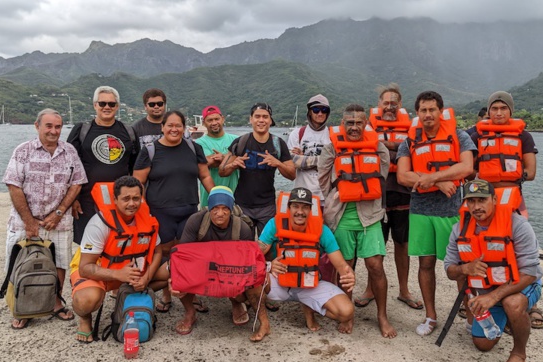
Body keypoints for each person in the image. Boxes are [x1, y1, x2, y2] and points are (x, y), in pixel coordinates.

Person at [396, 91, 476, 336]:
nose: (428, 114)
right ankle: (430, 316)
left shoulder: (460, 137)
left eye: (432, 110)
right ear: (417, 113)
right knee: (426, 263)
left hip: (451, 212)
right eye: (423, 110)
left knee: (461, 267)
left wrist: (432, 177)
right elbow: (402, 176)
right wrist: (437, 183)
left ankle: (472, 318)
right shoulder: (408, 142)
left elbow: (467, 167)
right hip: (420, 211)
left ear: (441, 111)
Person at [444, 179, 542, 362]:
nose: (476, 207)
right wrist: (465, 269)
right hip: (485, 290)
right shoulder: (459, 229)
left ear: (495, 199)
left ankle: (519, 354)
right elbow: (449, 270)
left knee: (512, 303)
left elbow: (530, 272)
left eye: (482, 200)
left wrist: (494, 296)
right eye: (471, 201)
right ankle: (506, 318)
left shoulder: (518, 225)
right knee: (482, 344)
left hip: (520, 285)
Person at [3, 108, 87, 329]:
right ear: (37, 126)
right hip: (24, 221)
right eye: (48, 126)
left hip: (59, 221)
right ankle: (22, 306)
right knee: (19, 262)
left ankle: (56, 301)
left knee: (59, 263)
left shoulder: (69, 152)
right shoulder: (23, 151)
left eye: (57, 127)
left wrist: (58, 212)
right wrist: (29, 221)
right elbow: (13, 185)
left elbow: (77, 182)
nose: (53, 131)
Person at [318, 104, 396, 338]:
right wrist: (338, 194)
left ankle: (382, 316)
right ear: (342, 124)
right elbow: (323, 178)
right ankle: (348, 313)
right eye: (349, 123)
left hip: (370, 216)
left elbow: (380, 177)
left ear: (366, 124)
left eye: (358, 123)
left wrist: (363, 192)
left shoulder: (378, 148)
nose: (354, 127)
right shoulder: (332, 147)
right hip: (341, 217)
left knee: (375, 266)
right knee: (346, 267)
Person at [471, 91, 543, 329]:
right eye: (494, 108)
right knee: (481, 247)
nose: (499, 112)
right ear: (488, 111)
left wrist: (504, 173)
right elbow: (465, 163)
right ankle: (478, 297)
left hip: (512, 197)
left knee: (519, 249)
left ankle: (528, 304)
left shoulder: (523, 135)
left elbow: (530, 173)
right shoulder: (475, 133)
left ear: (511, 111)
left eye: (503, 108)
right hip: (482, 197)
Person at [133, 110, 214, 311]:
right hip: (160, 212)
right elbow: (138, 184)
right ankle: (167, 295)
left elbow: (204, 176)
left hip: (189, 210)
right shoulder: (150, 150)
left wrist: (217, 198)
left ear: (184, 128)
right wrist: (142, 213)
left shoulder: (193, 148)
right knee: (166, 254)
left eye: (178, 125)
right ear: (162, 127)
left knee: (189, 254)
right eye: (170, 125)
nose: (174, 129)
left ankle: (191, 295)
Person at [167, 186, 270, 341]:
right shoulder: (197, 221)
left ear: (231, 209)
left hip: (230, 268)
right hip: (202, 267)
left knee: (255, 281)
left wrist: (261, 276)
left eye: (224, 209)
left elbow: (249, 263)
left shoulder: (241, 228)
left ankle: (259, 319)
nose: (220, 213)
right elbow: (182, 257)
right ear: (209, 209)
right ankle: (190, 312)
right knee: (177, 276)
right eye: (215, 208)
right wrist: (173, 280)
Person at [70, 176, 164, 343]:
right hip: (101, 273)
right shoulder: (99, 223)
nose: (132, 203)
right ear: (115, 199)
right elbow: (85, 267)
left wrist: (146, 278)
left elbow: (158, 252)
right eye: (126, 198)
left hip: (132, 274)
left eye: (136, 198)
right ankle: (85, 319)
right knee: (86, 301)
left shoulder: (146, 218)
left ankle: (125, 298)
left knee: (173, 271)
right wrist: (118, 274)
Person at [355, 83, 423, 311]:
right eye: (386, 103)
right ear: (379, 105)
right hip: (375, 195)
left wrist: (385, 144)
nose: (390, 107)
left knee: (402, 244)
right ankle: (370, 289)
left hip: (404, 194)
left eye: (394, 104)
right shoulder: (368, 126)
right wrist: (396, 147)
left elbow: (412, 149)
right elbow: (364, 147)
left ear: (400, 105)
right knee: (375, 245)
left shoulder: (411, 127)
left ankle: (404, 290)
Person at [258, 187, 356, 333]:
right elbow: (254, 257)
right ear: (288, 207)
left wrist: (348, 275)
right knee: (250, 278)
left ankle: (310, 307)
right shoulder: (274, 224)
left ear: (311, 209)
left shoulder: (321, 230)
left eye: (305, 207)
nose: (300, 211)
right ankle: (263, 322)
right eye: (296, 206)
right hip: (279, 281)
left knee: (346, 312)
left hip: (309, 284)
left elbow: (341, 265)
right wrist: (269, 266)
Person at [67, 86, 138, 245]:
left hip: (120, 200)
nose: (107, 107)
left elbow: (135, 167)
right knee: (87, 244)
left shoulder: (128, 132)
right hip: (87, 201)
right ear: (95, 105)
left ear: (117, 106)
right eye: (102, 103)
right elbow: (69, 165)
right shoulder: (82, 130)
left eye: (112, 104)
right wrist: (72, 198)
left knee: (117, 242)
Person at [219, 103, 295, 236]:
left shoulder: (278, 144)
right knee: (242, 246)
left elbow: (292, 174)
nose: (261, 120)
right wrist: (233, 164)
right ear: (251, 119)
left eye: (265, 117)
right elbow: (222, 171)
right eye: (257, 116)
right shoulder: (241, 142)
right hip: (242, 205)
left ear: (270, 120)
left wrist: (278, 163)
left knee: (267, 246)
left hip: (267, 206)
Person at [287, 94, 332, 205]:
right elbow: (292, 162)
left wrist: (304, 158)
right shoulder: (297, 134)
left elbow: (335, 163)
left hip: (326, 196)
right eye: (316, 109)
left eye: (324, 110)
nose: (320, 113)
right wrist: (324, 159)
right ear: (310, 112)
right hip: (301, 195)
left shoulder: (333, 135)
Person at [195, 105, 239, 208]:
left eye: (217, 119)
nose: (214, 123)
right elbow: (205, 163)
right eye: (210, 120)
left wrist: (222, 158)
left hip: (234, 197)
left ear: (222, 119)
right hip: (208, 199)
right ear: (204, 123)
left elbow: (243, 160)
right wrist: (230, 159)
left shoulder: (236, 140)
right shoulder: (198, 143)